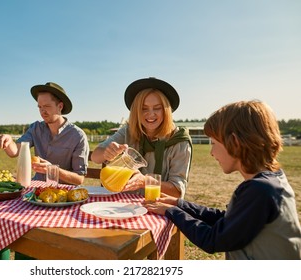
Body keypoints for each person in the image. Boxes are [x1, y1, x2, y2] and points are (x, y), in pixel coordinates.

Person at [144, 100, 301, 260]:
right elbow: (227, 220)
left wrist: (172, 212)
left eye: (213, 143)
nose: (211, 152)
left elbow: (214, 239)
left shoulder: (260, 190)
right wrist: (178, 203)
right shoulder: (271, 182)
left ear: (235, 142)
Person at [91, 77, 192, 198]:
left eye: (157, 108)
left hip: (158, 208)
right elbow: (95, 157)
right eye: (143, 109)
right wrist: (106, 153)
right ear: (136, 112)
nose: (150, 114)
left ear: (166, 110)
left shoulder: (179, 141)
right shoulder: (128, 132)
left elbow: (177, 191)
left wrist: (145, 181)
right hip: (123, 203)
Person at [0, 82, 89, 186]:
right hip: (36, 188)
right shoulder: (36, 128)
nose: (42, 111)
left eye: (47, 106)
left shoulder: (78, 136)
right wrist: (9, 141)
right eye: (39, 107)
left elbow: (79, 179)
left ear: (60, 106)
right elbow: (15, 151)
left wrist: (52, 170)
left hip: (62, 193)